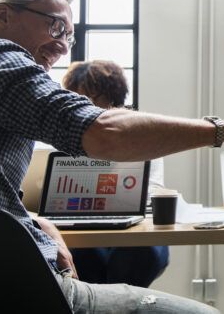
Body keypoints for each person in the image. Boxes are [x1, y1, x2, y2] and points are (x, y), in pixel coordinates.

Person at [0, 0, 224, 313]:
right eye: (56, 27)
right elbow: (104, 132)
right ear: (3, 15)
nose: (64, 45)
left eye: (70, 37)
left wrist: (32, 220)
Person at [62, 59, 169, 287]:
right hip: (83, 228)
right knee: (82, 255)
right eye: (75, 98)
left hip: (136, 228)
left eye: (90, 98)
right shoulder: (64, 140)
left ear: (113, 99)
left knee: (139, 253)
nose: (81, 106)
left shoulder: (143, 137)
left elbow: (152, 191)